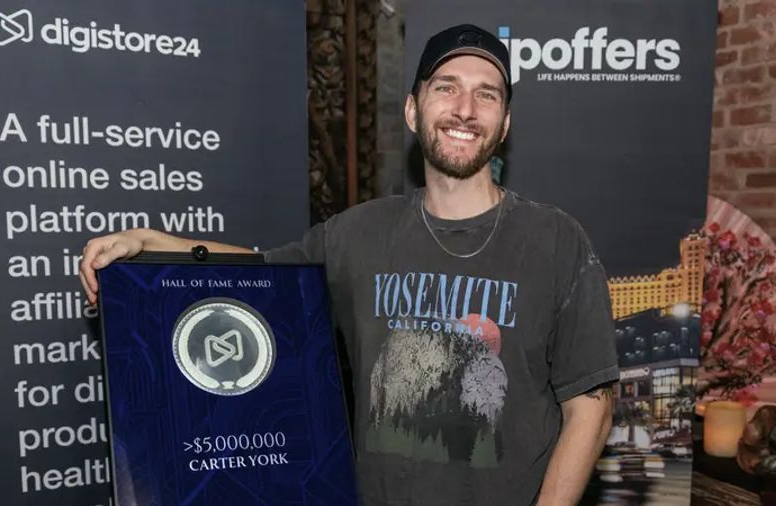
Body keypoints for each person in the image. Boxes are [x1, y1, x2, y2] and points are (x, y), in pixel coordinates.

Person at [80, 24, 618, 506]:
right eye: (446, 88)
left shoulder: (555, 241)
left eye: (487, 95)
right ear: (414, 110)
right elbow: (261, 272)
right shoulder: (358, 233)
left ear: (503, 124)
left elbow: (590, 410)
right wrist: (151, 241)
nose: (465, 109)